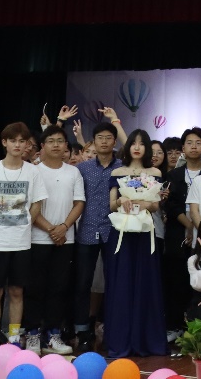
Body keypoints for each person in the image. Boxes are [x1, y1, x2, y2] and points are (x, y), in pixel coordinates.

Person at [0, 122, 47, 346]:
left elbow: (37, 203)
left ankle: (14, 337)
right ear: (4, 143)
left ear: (27, 145)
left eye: (22, 141)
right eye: (13, 140)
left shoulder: (33, 171)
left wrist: (25, 223)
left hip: (21, 243)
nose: (18, 145)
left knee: (17, 291)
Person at [104, 128, 167, 357]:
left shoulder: (154, 172)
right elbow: (111, 205)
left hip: (145, 233)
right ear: (128, 146)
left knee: (145, 283)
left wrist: (143, 202)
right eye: (133, 143)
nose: (137, 147)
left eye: (142, 143)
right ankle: (119, 339)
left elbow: (155, 206)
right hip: (122, 232)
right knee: (121, 283)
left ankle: (145, 339)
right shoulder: (117, 172)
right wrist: (122, 200)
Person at [26, 125, 85, 355]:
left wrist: (64, 228)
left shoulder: (73, 173)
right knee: (35, 288)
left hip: (65, 240)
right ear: (42, 146)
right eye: (51, 141)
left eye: (60, 141)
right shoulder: (33, 171)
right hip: (37, 238)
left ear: (66, 146)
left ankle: (53, 335)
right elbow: (29, 206)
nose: (56, 145)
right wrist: (52, 229)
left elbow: (79, 203)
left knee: (58, 289)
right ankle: (32, 335)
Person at [73, 115, 125, 350]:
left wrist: (117, 122)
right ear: (93, 142)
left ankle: (113, 328)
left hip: (114, 231)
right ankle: (83, 330)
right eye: (100, 138)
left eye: (108, 138)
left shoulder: (122, 168)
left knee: (114, 282)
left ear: (114, 141)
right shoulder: (82, 169)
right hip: (86, 230)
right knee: (83, 283)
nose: (104, 142)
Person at [163, 127, 201, 337]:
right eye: (189, 143)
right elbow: (171, 205)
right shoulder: (173, 175)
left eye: (198, 143)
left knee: (200, 282)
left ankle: (196, 327)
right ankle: (174, 326)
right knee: (175, 281)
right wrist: (189, 224)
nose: (193, 147)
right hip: (177, 234)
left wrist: (198, 226)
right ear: (183, 148)